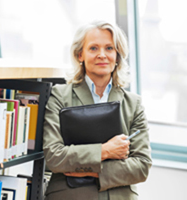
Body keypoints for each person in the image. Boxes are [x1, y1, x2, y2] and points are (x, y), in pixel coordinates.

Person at [43, 21, 152, 200]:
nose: (102, 55)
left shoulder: (134, 104)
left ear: (117, 56)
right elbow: (54, 156)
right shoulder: (59, 96)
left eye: (109, 48)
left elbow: (142, 166)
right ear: (80, 55)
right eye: (93, 48)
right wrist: (106, 151)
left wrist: (93, 171)